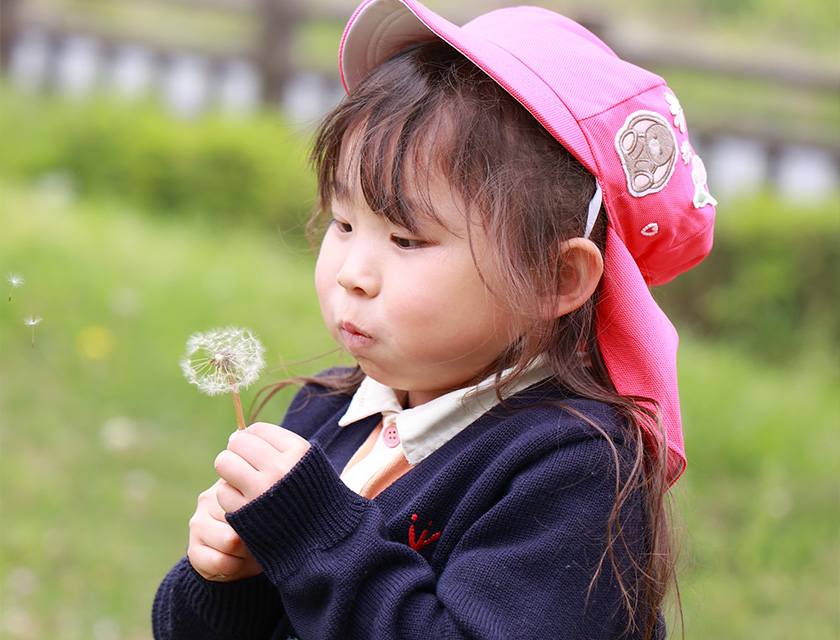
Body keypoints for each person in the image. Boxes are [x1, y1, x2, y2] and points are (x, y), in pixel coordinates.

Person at [152, 1, 716, 638]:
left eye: (407, 240)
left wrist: (316, 536)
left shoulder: (572, 469)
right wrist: (225, 580)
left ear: (556, 279)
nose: (350, 272)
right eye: (343, 223)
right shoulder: (323, 414)